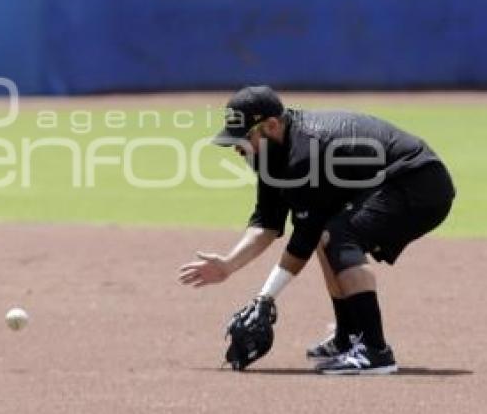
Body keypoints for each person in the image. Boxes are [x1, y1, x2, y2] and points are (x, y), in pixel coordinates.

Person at [178, 86, 455, 374]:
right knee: (329, 232)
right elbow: (267, 223)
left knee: (339, 236)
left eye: (245, 138)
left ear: (271, 126)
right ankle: (348, 337)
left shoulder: (304, 154)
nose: (237, 148)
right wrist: (228, 264)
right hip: (395, 182)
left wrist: (265, 297)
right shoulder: (271, 156)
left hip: (419, 184)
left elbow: (303, 239)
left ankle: (376, 351)